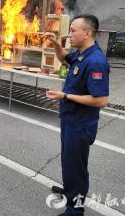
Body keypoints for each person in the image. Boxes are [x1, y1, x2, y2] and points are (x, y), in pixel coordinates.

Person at [44, 14, 109, 216]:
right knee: (69, 162)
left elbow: (101, 100)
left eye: (73, 30)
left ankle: (75, 210)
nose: (69, 34)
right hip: (71, 120)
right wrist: (56, 44)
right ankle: (70, 191)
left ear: (87, 33)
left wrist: (65, 95)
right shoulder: (81, 53)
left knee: (77, 168)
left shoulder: (96, 61)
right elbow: (63, 58)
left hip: (81, 124)